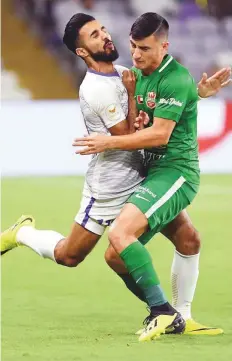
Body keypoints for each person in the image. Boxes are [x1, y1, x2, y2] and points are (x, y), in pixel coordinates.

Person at [1, 13, 230, 340]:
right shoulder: (96, 89)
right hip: (110, 185)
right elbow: (128, 132)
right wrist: (126, 122)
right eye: (95, 35)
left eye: (103, 29)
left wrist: (196, 93)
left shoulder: (126, 74)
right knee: (70, 255)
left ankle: (175, 314)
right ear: (82, 52)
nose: (106, 37)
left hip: (142, 176)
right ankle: (22, 233)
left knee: (187, 238)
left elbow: (162, 100)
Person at [72, 12, 231, 340]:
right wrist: (197, 95)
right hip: (150, 172)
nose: (137, 54)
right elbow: (146, 117)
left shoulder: (175, 77)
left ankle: (162, 313)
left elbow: (159, 135)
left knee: (120, 235)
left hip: (176, 172)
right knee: (123, 254)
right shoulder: (135, 76)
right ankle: (180, 317)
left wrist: (109, 141)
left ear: (164, 46)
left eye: (144, 48)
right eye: (133, 46)